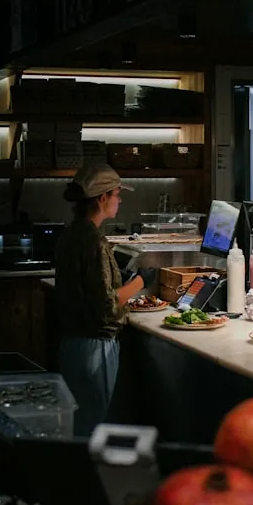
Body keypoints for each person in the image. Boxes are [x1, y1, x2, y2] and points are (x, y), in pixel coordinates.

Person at [54, 163, 157, 435]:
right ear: (102, 198)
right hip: (94, 347)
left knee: (79, 424)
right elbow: (107, 305)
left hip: (71, 345)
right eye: (116, 194)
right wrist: (141, 281)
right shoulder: (94, 242)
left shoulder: (72, 234)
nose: (119, 200)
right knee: (92, 427)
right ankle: (89, 478)